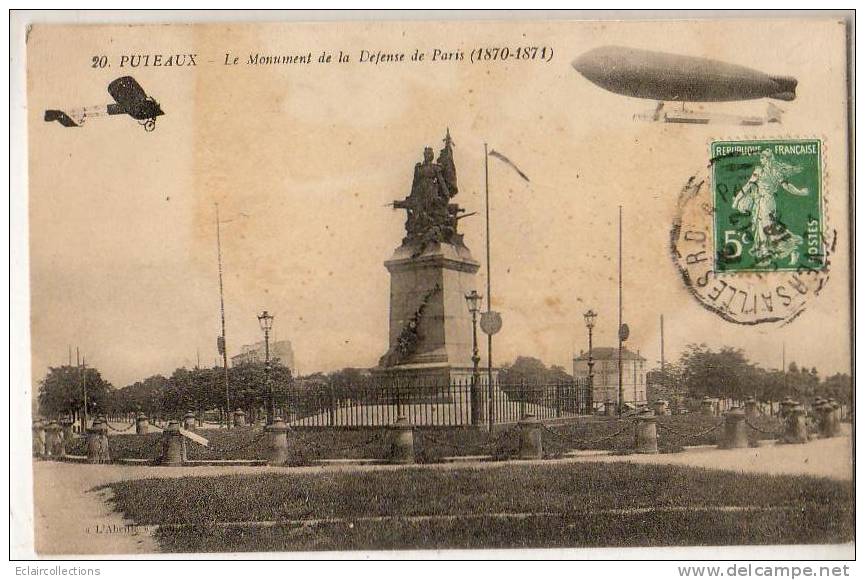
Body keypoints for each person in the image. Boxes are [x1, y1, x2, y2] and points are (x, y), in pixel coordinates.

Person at [732, 148, 809, 265]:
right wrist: (737, 200)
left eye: (763, 157)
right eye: (761, 157)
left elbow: (786, 186)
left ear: (768, 159)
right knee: (761, 227)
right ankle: (765, 255)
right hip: (762, 202)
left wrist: (800, 192)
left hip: (766, 202)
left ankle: (791, 250)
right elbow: (748, 185)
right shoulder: (765, 171)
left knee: (768, 228)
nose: (761, 159)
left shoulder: (770, 171)